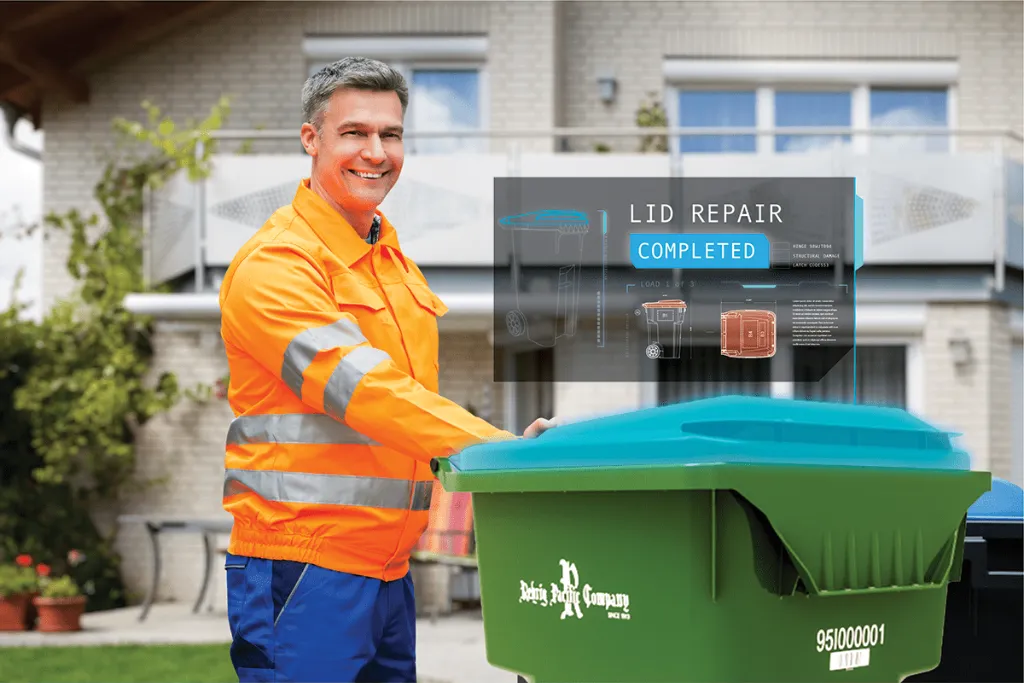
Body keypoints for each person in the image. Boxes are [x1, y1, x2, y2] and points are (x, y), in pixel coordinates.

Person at [217, 56, 557, 683]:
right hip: (305, 566)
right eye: (355, 133)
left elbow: (408, 405)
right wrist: (498, 450)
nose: (376, 152)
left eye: (391, 135)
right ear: (311, 139)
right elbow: (364, 391)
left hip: (389, 568)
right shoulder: (276, 265)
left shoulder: (390, 261)